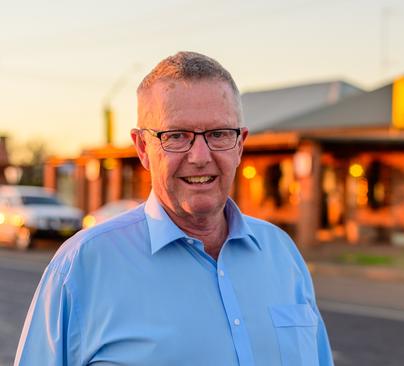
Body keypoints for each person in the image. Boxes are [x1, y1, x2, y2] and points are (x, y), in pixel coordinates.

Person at [15, 51, 334, 366]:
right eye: (177, 136)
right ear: (142, 147)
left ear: (240, 144)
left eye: (218, 134)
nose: (199, 156)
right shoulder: (81, 267)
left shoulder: (282, 254)